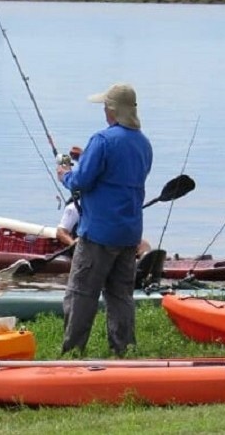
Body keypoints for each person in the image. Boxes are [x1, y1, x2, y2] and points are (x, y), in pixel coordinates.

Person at [57, 82, 153, 357]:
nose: (103, 111)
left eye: (105, 107)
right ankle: (122, 349)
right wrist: (86, 158)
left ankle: (73, 350)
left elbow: (81, 182)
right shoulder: (143, 144)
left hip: (98, 233)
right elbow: (118, 176)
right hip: (129, 234)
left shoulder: (102, 140)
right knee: (120, 296)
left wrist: (65, 173)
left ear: (112, 110)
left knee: (80, 293)